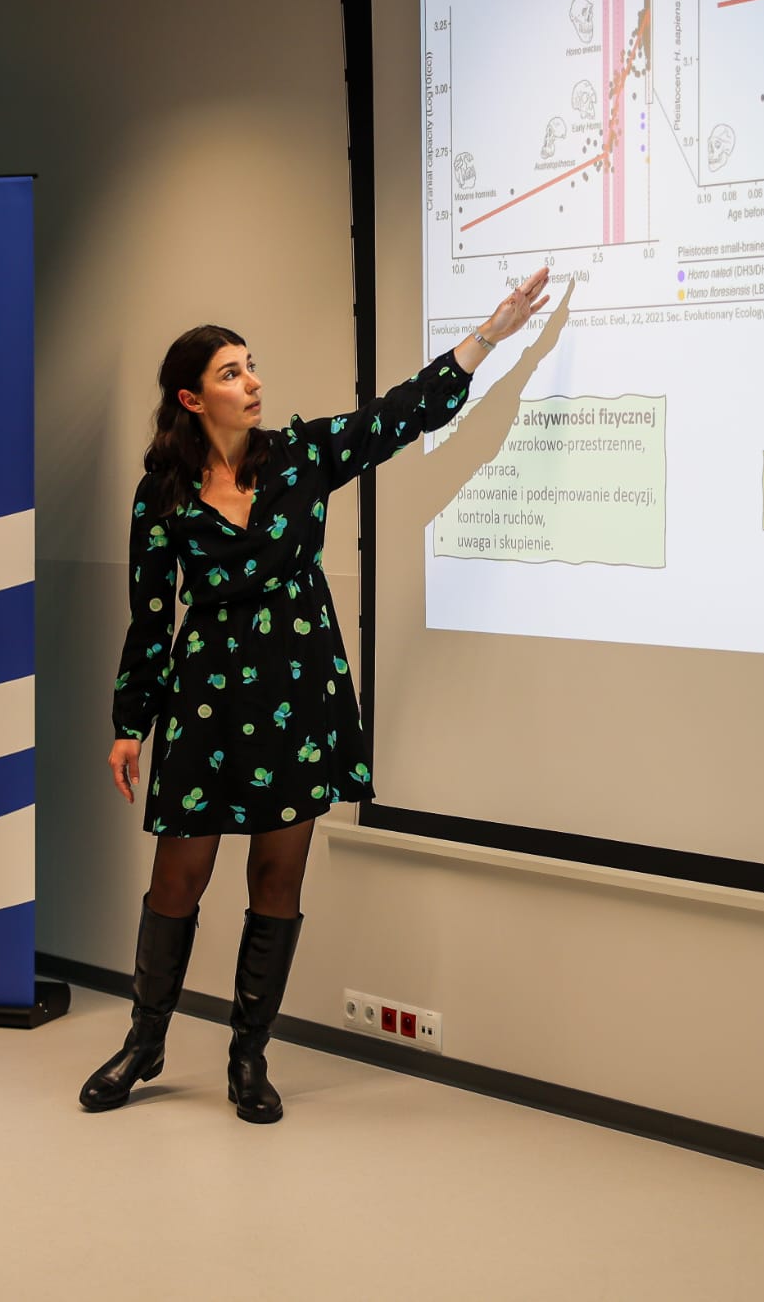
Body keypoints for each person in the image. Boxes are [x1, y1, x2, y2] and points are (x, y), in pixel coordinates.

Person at [79, 268, 553, 1118]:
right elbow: (150, 616)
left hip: (296, 695)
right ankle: (145, 1043)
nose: (252, 382)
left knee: (276, 878)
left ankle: (248, 1058)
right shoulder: (163, 495)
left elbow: (402, 413)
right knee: (178, 879)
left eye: (252, 366)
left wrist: (492, 333)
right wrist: (128, 724)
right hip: (205, 701)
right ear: (191, 398)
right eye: (231, 373)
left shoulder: (301, 457)